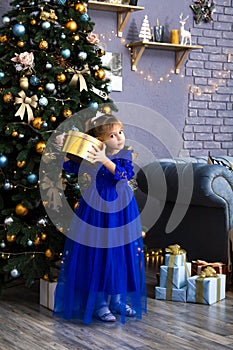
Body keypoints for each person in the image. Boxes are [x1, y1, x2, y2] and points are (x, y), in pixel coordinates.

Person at [54, 114, 147, 324]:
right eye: (112, 135)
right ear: (101, 141)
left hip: (122, 208)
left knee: (120, 253)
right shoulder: (91, 157)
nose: (119, 138)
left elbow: (124, 175)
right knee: (99, 251)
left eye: (120, 132)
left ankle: (116, 299)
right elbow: (69, 167)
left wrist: (105, 160)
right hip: (97, 208)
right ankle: (99, 303)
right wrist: (64, 149)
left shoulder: (124, 155)